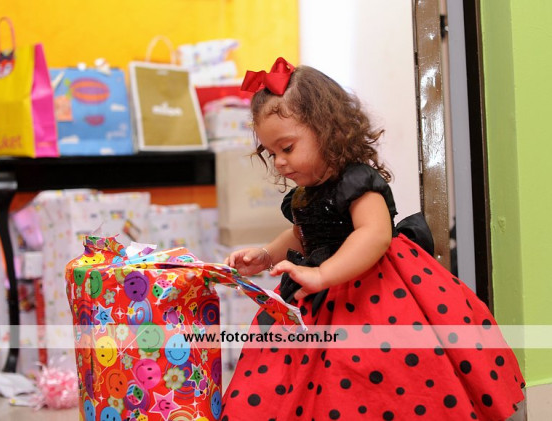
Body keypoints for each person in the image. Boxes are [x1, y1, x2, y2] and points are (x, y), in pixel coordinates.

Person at [220, 57, 525, 421]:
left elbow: (375, 234)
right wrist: (266, 255)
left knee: (372, 372)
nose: (280, 163)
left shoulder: (356, 181)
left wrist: (324, 274)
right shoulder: (304, 195)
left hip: (373, 293)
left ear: (326, 130)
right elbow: (300, 234)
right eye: (272, 154)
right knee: (303, 375)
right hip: (320, 298)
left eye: (287, 148)